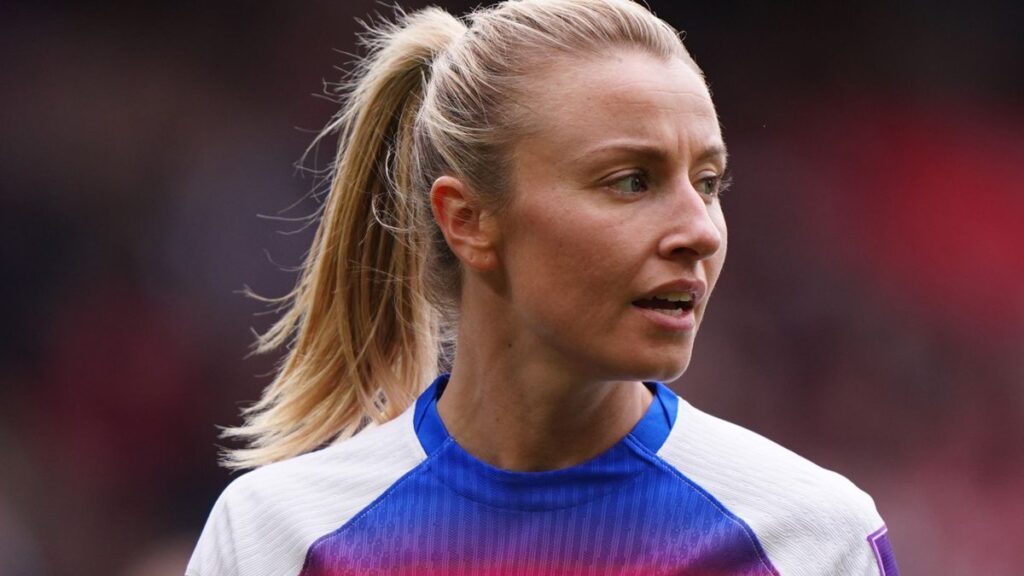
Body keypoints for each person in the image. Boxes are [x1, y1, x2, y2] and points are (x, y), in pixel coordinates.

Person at [187, 1, 900, 574]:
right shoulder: (279, 538)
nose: (701, 231)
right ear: (467, 221)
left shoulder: (807, 538)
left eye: (707, 182)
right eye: (631, 181)